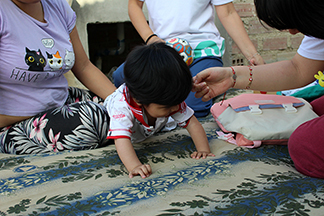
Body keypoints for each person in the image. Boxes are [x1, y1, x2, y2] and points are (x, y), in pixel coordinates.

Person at [192, 0, 324, 179]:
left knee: (304, 145)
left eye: (296, 21)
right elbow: (298, 69)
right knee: (313, 109)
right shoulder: (318, 31)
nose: (293, 31)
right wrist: (232, 76)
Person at [112, 0, 265, 118]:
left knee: (192, 110)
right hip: (162, 49)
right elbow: (134, 4)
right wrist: (151, 38)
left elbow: (228, 12)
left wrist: (253, 56)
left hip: (202, 50)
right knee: (120, 77)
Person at [0, 0, 116, 154]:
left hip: (61, 102)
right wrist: (40, 109)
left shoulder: (57, 5)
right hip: (15, 124)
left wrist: (121, 101)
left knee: (134, 102)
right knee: (94, 119)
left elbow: (83, 66)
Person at [104, 43, 215, 179]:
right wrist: (134, 166)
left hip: (147, 125)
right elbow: (121, 138)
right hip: (107, 120)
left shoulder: (168, 99)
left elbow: (192, 123)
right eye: (166, 107)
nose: (175, 108)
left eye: (176, 103)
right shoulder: (121, 106)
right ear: (139, 100)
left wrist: (203, 150)